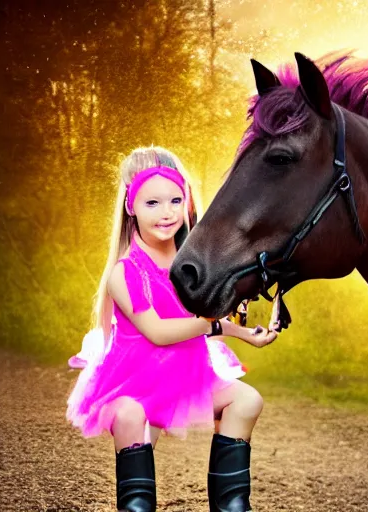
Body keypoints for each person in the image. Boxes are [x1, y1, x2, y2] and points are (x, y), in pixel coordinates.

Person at [66, 146, 278, 511]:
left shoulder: (189, 262)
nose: (167, 213)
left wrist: (247, 334)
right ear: (132, 206)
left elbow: (197, 325)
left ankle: (231, 505)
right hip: (135, 380)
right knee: (132, 418)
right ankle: (137, 505)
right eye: (153, 203)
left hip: (185, 373)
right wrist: (211, 319)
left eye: (175, 200)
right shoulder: (126, 271)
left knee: (247, 399)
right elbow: (160, 332)